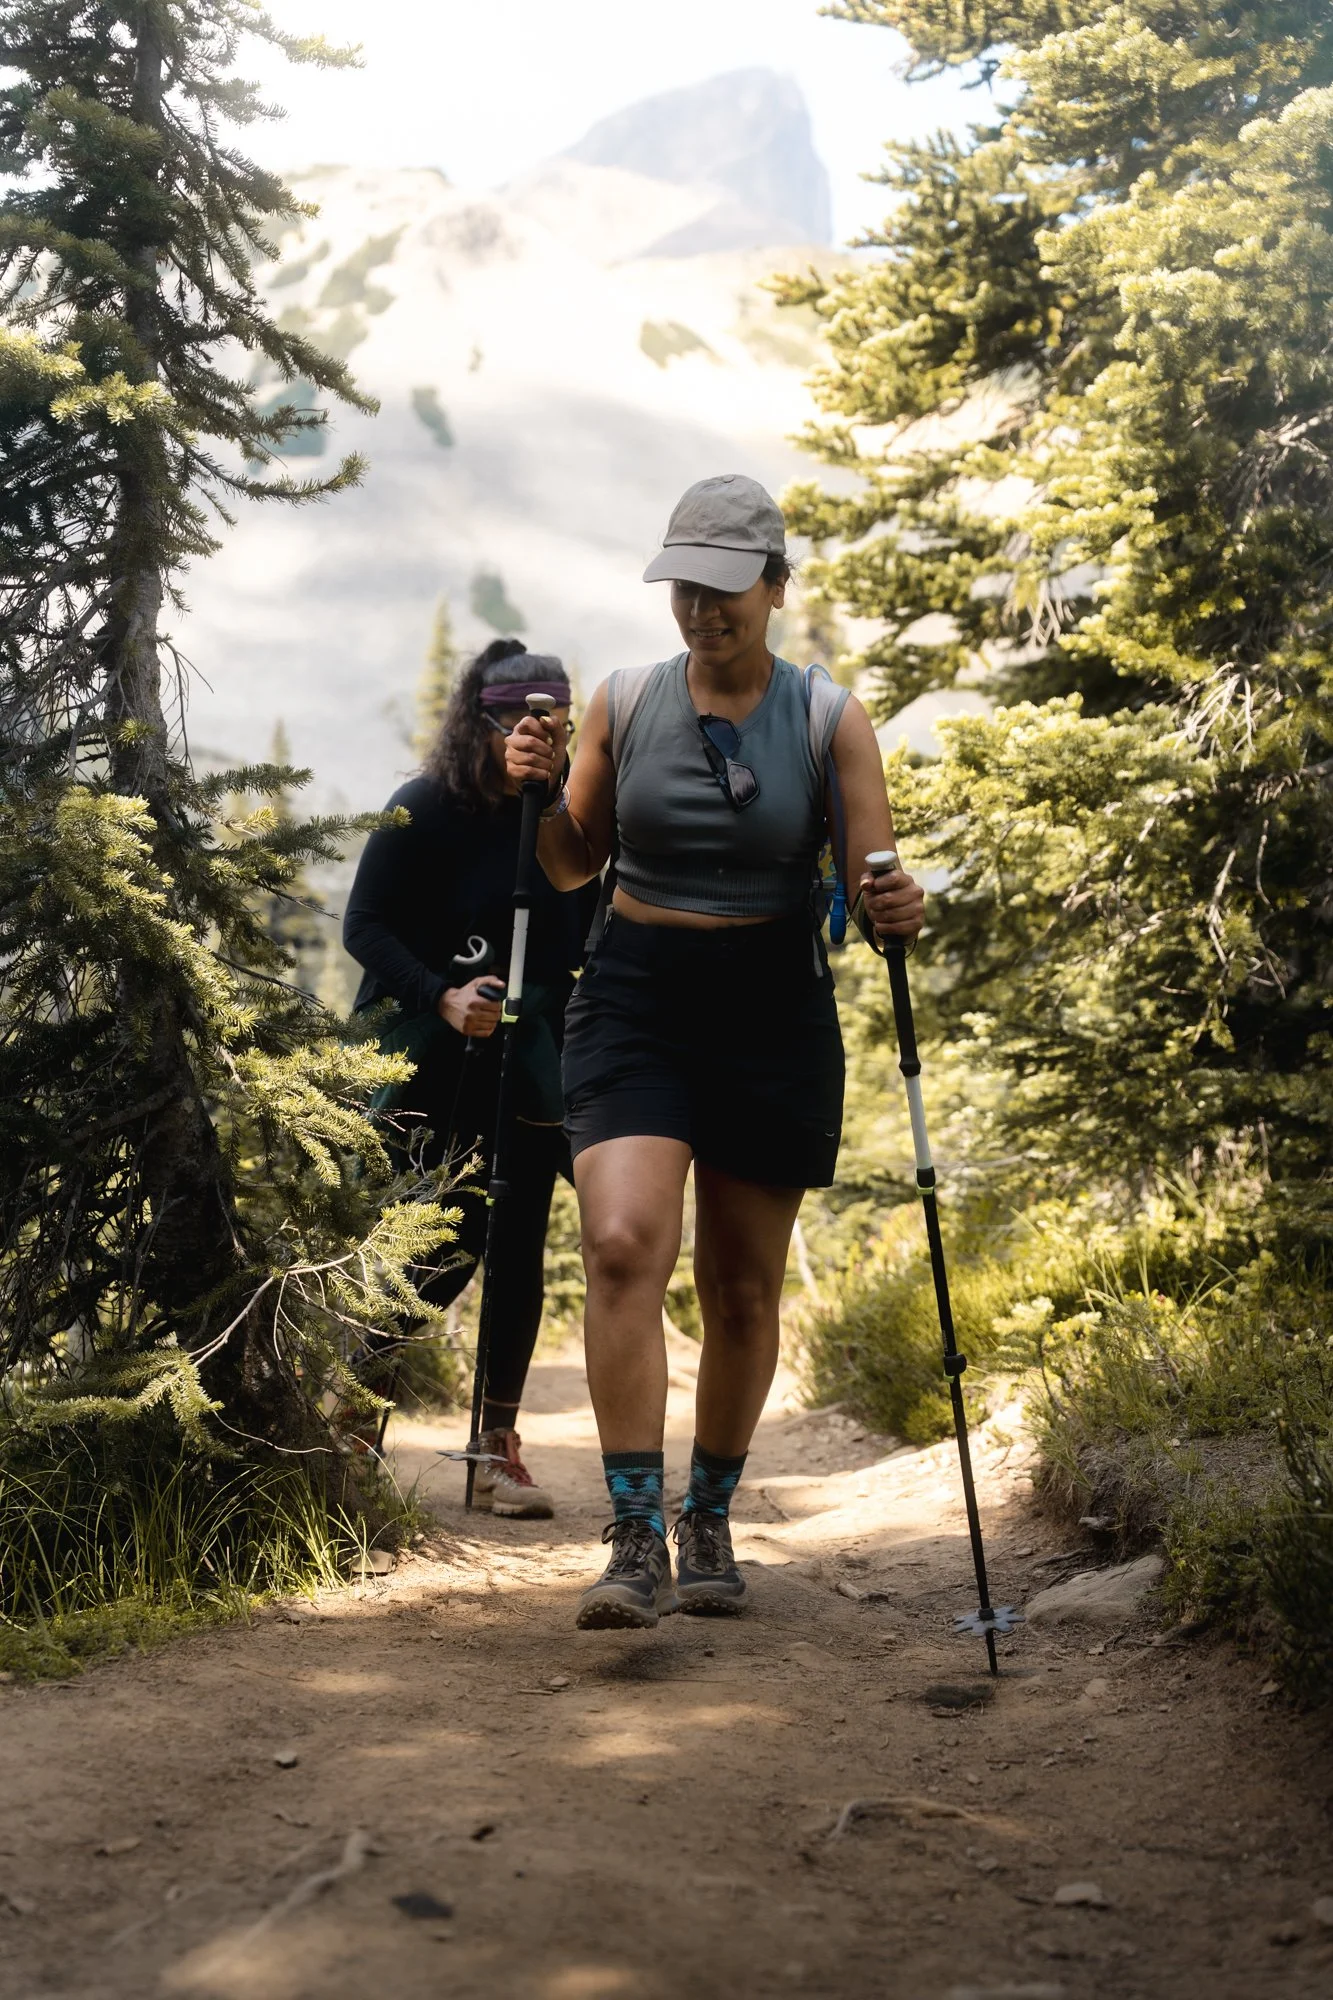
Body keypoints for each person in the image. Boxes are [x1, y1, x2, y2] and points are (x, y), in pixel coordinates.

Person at [506, 474, 925, 1626]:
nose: (701, 609)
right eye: (684, 587)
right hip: (635, 997)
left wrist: (892, 904)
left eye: (725, 588)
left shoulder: (828, 719)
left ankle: (708, 1511)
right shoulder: (625, 700)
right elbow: (572, 861)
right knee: (620, 1242)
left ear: (775, 586)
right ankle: (634, 1532)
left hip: (770, 1009)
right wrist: (534, 796)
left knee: (740, 1288)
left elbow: (870, 879)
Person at [344, 637, 591, 1515]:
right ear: (480, 722)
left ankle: (496, 1448)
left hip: (529, 1058)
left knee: (519, 1247)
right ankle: (352, 1428)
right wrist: (442, 996)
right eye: (517, 720)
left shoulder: (567, 826)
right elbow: (365, 925)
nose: (535, 736)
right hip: (429, 1055)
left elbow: (590, 930)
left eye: (554, 723)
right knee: (432, 1245)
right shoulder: (425, 808)